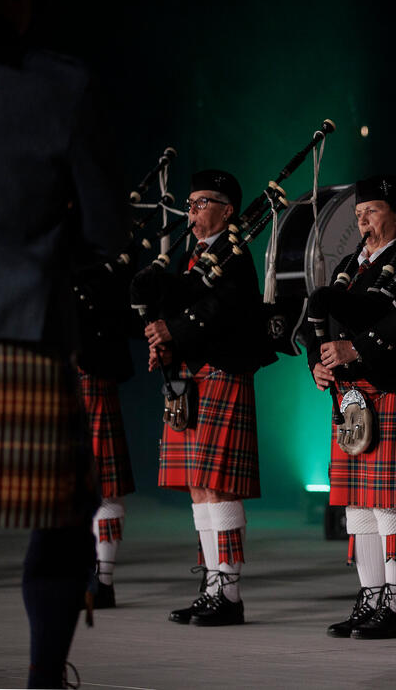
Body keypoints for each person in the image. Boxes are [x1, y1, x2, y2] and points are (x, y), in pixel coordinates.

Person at [0, 0, 126, 683]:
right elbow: (107, 228)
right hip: (23, 333)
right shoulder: (60, 85)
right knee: (66, 511)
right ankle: (45, 677)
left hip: (28, 326)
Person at [309, 174, 396, 639]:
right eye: (358, 215)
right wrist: (319, 363)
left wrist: (357, 350)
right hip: (354, 396)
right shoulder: (351, 264)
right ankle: (371, 599)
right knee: (359, 508)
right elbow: (326, 320)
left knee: (391, 506)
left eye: (371, 212)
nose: (363, 221)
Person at [144, 169, 264, 627]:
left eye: (201, 203)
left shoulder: (235, 255)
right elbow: (180, 311)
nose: (191, 212)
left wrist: (173, 329)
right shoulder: (191, 258)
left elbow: (223, 310)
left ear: (227, 209)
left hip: (222, 373)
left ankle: (228, 593)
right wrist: (165, 342)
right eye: (189, 204)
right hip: (191, 377)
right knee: (199, 486)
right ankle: (212, 583)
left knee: (218, 486)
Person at [73, 253, 138, 610]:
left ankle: (103, 578)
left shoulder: (106, 258)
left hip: (93, 369)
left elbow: (123, 316)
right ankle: (81, 571)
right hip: (56, 375)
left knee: (104, 482)